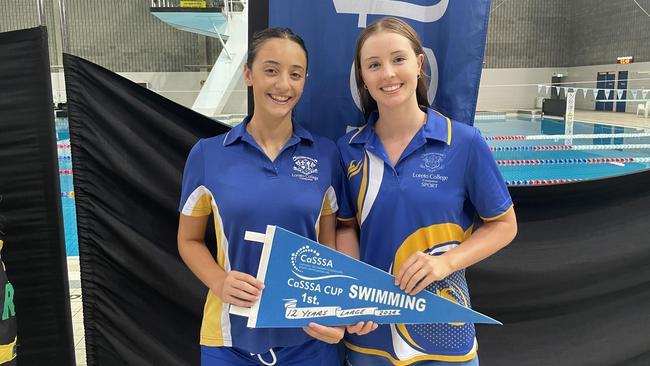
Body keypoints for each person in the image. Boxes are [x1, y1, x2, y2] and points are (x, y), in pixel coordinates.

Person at [336, 17, 518, 366]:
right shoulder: (348, 150)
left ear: (418, 64)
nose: (388, 73)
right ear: (363, 77)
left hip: (444, 328)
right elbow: (346, 227)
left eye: (398, 59)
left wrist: (445, 263)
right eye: (374, 65)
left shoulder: (463, 142)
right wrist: (352, 291)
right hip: (370, 331)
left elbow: (504, 225)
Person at [177, 28, 352, 365]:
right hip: (228, 343)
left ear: (304, 81)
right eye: (271, 70)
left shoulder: (326, 155)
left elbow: (327, 248)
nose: (283, 85)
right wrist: (219, 281)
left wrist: (336, 309)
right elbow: (188, 240)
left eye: (295, 74)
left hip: (311, 341)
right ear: (248, 74)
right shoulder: (207, 155)